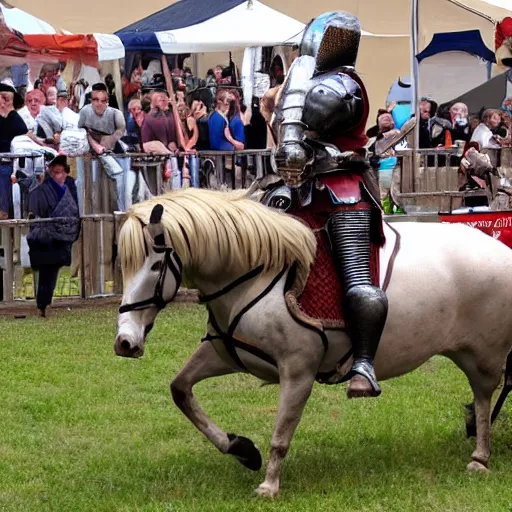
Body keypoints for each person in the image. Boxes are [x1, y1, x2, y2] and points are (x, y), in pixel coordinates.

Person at [267, 11, 388, 398]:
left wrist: (295, 82)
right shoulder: (311, 81)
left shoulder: (341, 85)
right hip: (305, 187)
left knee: (357, 281)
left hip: (342, 189)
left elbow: (304, 122)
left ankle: (365, 365)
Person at [27, 155, 80, 317]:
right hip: (47, 237)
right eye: (57, 172)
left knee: (52, 271)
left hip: (62, 236)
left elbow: (74, 207)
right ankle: (43, 303)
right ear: (51, 172)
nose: (61, 176)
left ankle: (44, 303)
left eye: (63, 172)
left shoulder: (70, 186)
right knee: (47, 272)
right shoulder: (41, 189)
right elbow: (37, 212)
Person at [78, 83, 127, 211]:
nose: (98, 103)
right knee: (90, 186)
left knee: (120, 177)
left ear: (107, 102)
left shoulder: (116, 114)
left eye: (102, 100)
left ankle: (121, 210)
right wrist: (95, 145)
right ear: (91, 100)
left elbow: (120, 131)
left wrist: (107, 142)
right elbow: (82, 132)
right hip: (91, 153)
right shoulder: (84, 112)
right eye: (95, 100)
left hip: (113, 151)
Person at [0, 83, 28, 219]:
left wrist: (9, 110)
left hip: (6, 165)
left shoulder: (10, 118)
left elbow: (22, 129)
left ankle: (3, 213)